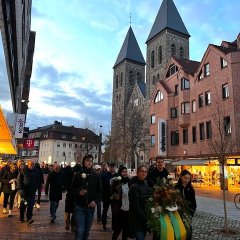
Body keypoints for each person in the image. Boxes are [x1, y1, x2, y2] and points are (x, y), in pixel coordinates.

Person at [72, 154, 102, 240]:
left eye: (91, 161)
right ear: (84, 162)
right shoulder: (78, 174)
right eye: (87, 161)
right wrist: (79, 192)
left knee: (86, 232)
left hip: (90, 207)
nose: (89, 163)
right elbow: (72, 189)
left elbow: (100, 191)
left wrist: (95, 201)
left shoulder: (96, 175)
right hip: (80, 206)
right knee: (80, 231)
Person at [129, 165, 150, 240]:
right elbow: (136, 206)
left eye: (145, 172)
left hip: (144, 219)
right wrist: (145, 217)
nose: (144, 173)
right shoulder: (134, 187)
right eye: (142, 171)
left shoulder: (146, 183)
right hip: (137, 220)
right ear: (137, 173)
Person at [17, 160, 40, 224]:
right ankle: (21, 218)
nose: (32, 165)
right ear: (28, 164)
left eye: (33, 164)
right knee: (23, 206)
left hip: (32, 191)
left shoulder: (36, 171)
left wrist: (36, 187)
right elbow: (19, 180)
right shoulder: (23, 170)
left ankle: (29, 219)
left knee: (30, 206)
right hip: (24, 192)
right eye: (31, 164)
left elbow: (38, 180)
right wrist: (21, 189)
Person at [111, 166, 130, 240]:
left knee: (126, 229)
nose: (125, 173)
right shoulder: (116, 182)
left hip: (128, 208)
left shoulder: (129, 181)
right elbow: (112, 194)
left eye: (126, 171)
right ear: (120, 172)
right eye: (123, 172)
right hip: (119, 208)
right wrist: (115, 197)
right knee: (118, 229)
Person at [101, 162, 117, 231]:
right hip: (106, 196)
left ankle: (114, 226)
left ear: (115, 167)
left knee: (114, 212)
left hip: (114, 197)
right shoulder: (104, 175)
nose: (112, 168)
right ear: (109, 167)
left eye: (113, 167)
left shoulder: (118, 175)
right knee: (105, 210)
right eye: (111, 167)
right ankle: (104, 224)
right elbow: (102, 186)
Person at [64, 164, 75, 231]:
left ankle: (68, 225)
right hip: (73, 196)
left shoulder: (67, 176)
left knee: (67, 212)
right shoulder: (74, 177)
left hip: (69, 196)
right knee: (73, 211)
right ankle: (72, 225)